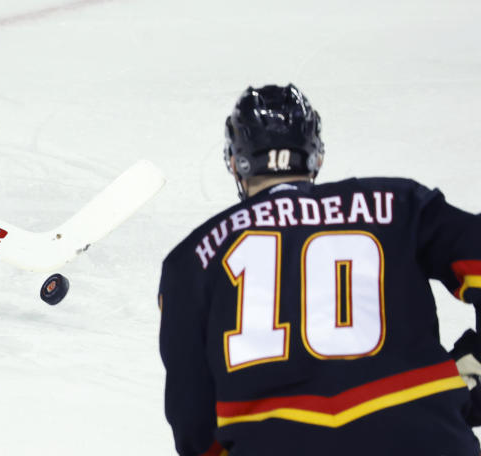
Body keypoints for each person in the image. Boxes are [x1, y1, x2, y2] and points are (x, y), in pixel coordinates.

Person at [159, 84, 481, 455]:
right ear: (316, 157)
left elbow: (193, 418)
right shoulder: (399, 204)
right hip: (425, 439)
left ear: (235, 161)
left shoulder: (192, 260)